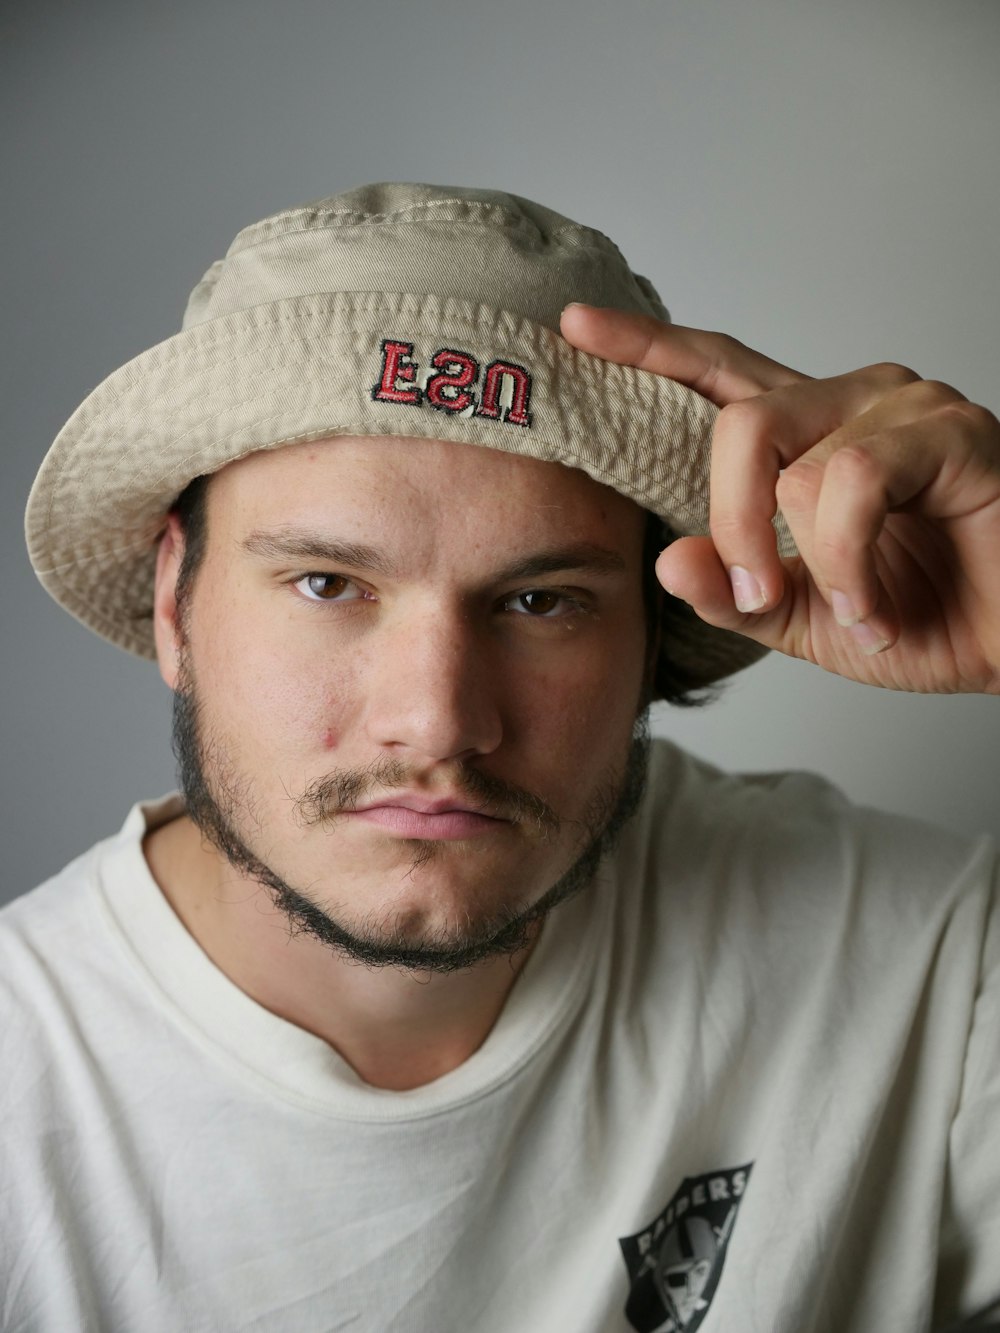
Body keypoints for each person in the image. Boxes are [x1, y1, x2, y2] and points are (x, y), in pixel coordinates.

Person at [3, 182, 998, 1333]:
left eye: (539, 600)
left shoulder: (922, 965)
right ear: (176, 602)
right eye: (328, 584)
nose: (434, 722)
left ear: (654, 638)